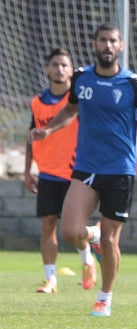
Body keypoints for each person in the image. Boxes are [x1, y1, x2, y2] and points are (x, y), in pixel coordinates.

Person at [29, 23, 137, 316]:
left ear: (120, 46)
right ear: (94, 44)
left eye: (112, 41)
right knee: (69, 231)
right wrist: (49, 130)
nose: (107, 45)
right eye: (102, 40)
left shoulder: (132, 83)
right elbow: (70, 109)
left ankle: (104, 296)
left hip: (120, 170)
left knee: (110, 239)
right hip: (86, 167)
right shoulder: (80, 78)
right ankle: (90, 236)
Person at [24, 48, 102, 294]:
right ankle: (50, 280)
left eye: (64, 65)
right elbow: (31, 137)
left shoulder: (78, 100)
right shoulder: (37, 102)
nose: (59, 69)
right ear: (47, 69)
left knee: (73, 229)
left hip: (75, 172)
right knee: (47, 224)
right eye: (55, 64)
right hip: (47, 172)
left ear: (71, 70)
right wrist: (28, 170)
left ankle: (88, 254)